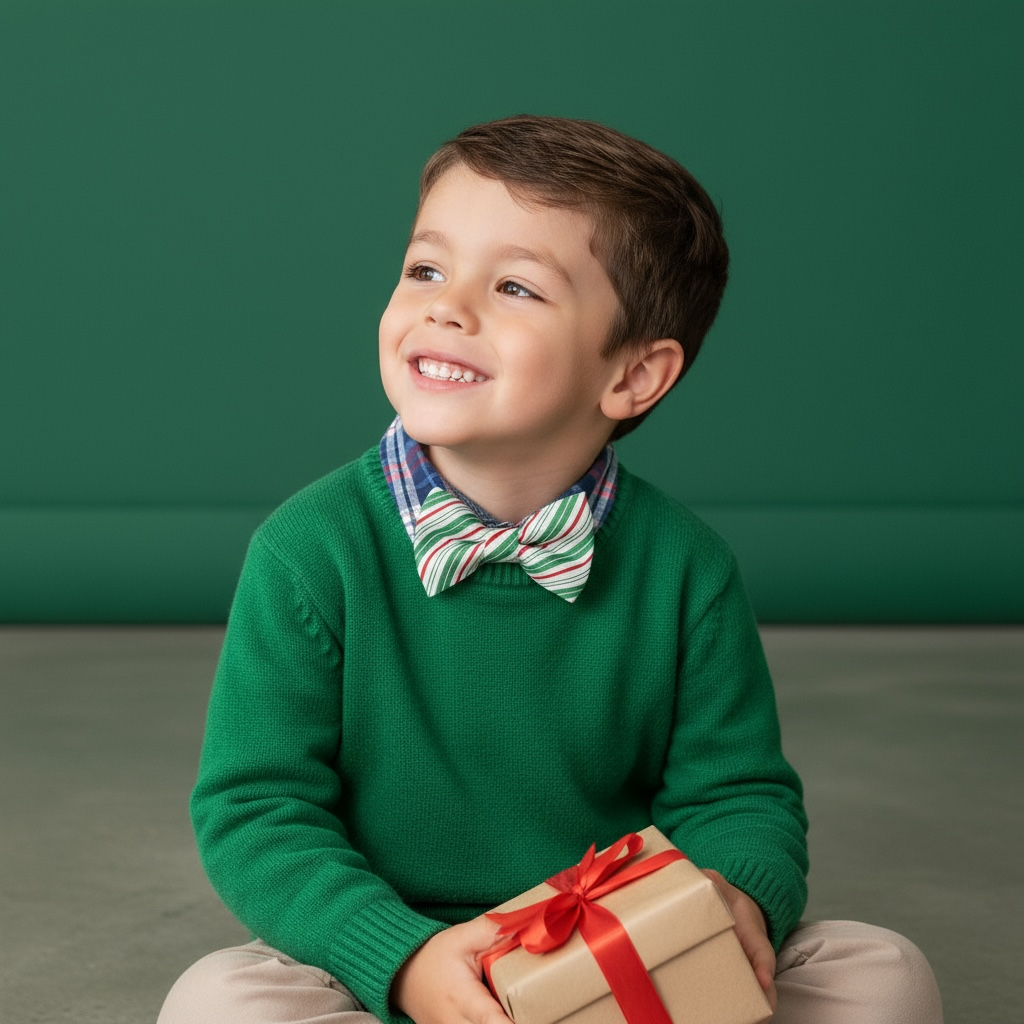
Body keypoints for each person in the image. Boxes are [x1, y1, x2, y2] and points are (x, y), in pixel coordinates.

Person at [158, 115, 943, 1024]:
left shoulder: (685, 568)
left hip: (623, 957)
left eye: (518, 287)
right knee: (221, 1002)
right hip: (395, 957)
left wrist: (735, 897)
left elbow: (739, 794)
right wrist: (399, 958)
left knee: (881, 974)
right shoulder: (310, 549)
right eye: (426, 269)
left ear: (634, 377)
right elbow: (257, 809)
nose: (447, 307)